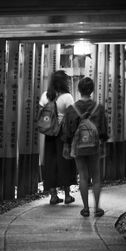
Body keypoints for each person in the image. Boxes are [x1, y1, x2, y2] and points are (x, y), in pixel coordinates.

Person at [62, 77, 108, 217]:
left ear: (79, 90)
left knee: (83, 176)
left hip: (78, 147)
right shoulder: (98, 108)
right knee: (96, 176)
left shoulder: (72, 109)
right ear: (92, 90)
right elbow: (103, 130)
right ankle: (97, 208)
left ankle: (86, 208)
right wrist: (104, 145)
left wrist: (66, 145)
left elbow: (67, 129)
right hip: (94, 146)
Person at [39, 70, 77, 205]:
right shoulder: (67, 97)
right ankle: (67, 195)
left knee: (50, 164)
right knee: (64, 163)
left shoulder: (45, 96)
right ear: (64, 82)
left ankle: (53, 196)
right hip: (63, 134)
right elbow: (72, 118)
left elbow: (41, 114)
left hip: (49, 135)